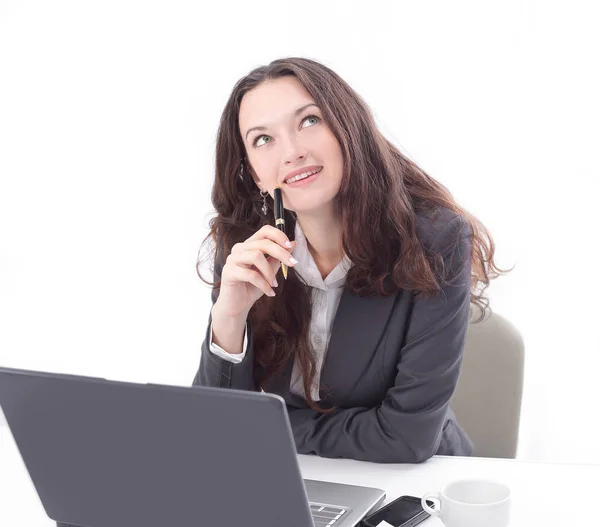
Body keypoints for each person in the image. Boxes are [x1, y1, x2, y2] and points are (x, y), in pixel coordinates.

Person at [192, 56, 508, 465]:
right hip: (290, 477)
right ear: (253, 173)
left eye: (308, 121)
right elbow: (210, 426)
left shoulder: (434, 240)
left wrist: (271, 429)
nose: (292, 152)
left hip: (410, 486)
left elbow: (406, 438)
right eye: (263, 140)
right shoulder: (246, 247)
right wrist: (228, 318)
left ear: (347, 127)